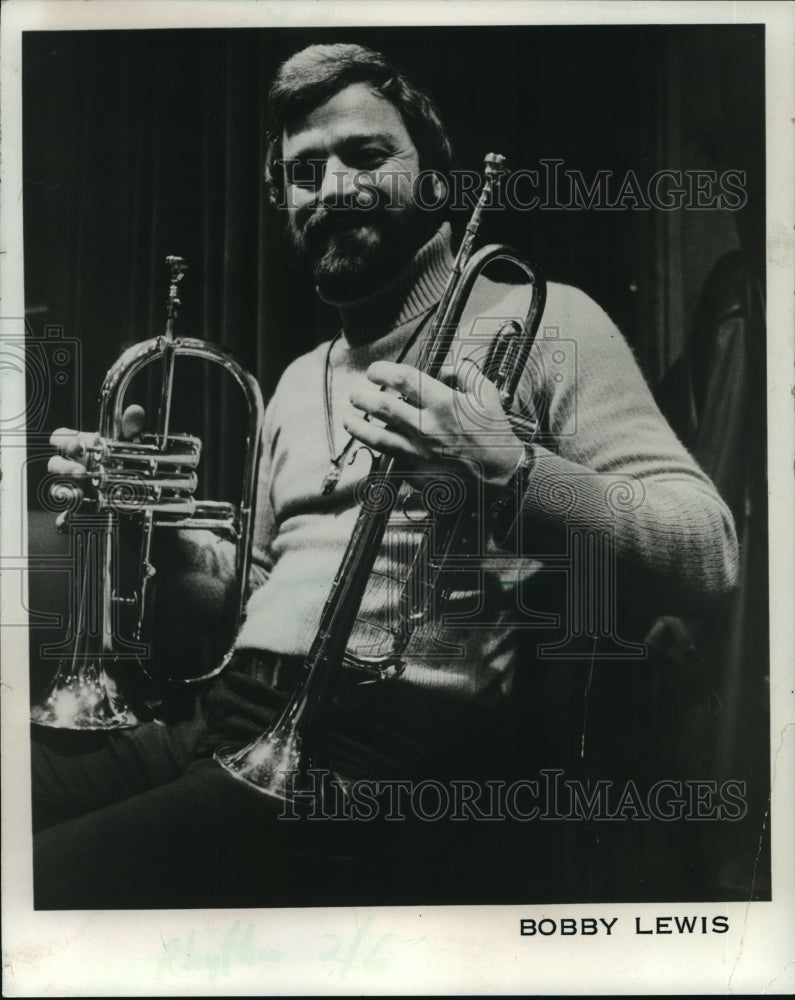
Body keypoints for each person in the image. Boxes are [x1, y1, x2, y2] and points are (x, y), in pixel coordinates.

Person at [32, 43, 738, 908]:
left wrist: (510, 464)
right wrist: (152, 536)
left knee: (47, 884)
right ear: (281, 201)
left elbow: (709, 549)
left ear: (436, 182)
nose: (333, 187)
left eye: (367, 156)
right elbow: (246, 602)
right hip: (232, 718)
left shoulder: (545, 320)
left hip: (384, 753)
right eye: (304, 171)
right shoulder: (296, 379)